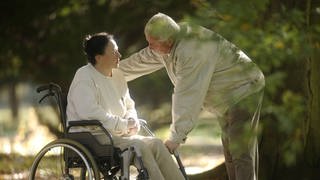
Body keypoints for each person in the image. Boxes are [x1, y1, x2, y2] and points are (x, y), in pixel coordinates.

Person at [119, 13, 265, 180]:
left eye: (152, 44)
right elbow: (142, 59)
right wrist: (112, 72)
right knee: (231, 153)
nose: (149, 47)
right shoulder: (168, 42)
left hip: (243, 89)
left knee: (241, 151)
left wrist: (175, 137)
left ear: (167, 41)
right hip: (224, 97)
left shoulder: (193, 50)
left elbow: (187, 96)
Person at [66, 32, 184, 180]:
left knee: (156, 144)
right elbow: (89, 112)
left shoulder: (117, 75)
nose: (119, 55)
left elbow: (129, 104)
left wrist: (132, 120)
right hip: (94, 137)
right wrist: (122, 124)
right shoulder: (84, 76)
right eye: (114, 52)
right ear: (98, 57)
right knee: (138, 146)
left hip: (118, 135)